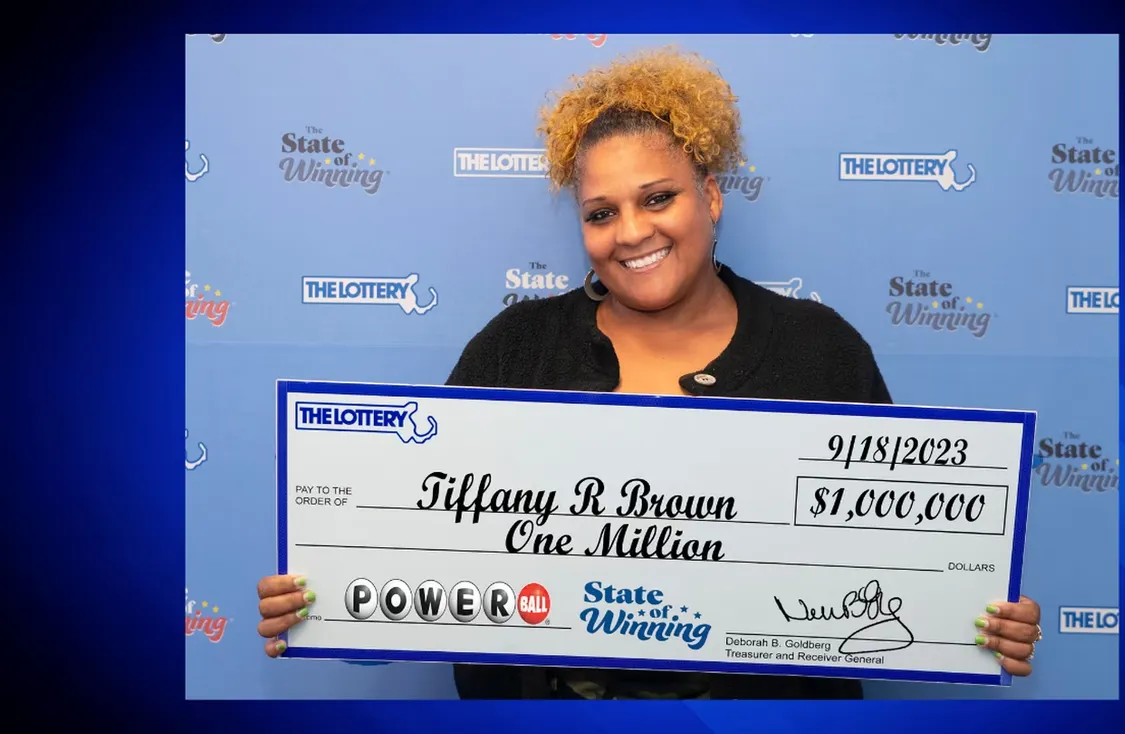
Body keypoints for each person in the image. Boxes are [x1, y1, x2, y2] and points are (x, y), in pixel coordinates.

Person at [255, 46, 1043, 699]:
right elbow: (423, 555)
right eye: (600, 213)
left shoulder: (821, 350)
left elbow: (898, 559)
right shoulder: (515, 350)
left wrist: (976, 618)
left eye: (658, 198)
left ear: (711, 196)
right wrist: (326, 600)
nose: (631, 233)